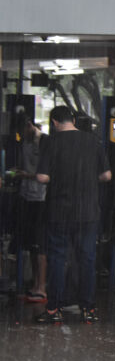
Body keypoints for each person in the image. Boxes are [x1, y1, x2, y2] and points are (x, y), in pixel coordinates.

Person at [34, 106, 111, 324]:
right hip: (87, 211)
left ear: (55, 122)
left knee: (58, 258)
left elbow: (42, 177)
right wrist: (86, 180)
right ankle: (88, 309)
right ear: (74, 120)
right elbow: (106, 175)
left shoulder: (52, 142)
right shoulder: (93, 141)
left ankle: (54, 310)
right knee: (87, 258)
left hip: (60, 210)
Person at [14, 118, 48, 303]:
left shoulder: (44, 141)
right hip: (27, 195)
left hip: (41, 198)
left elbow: (45, 173)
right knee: (32, 244)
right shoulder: (24, 143)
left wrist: (26, 175)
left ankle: (41, 286)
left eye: (22, 130)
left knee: (40, 243)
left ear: (29, 125)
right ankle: (35, 284)